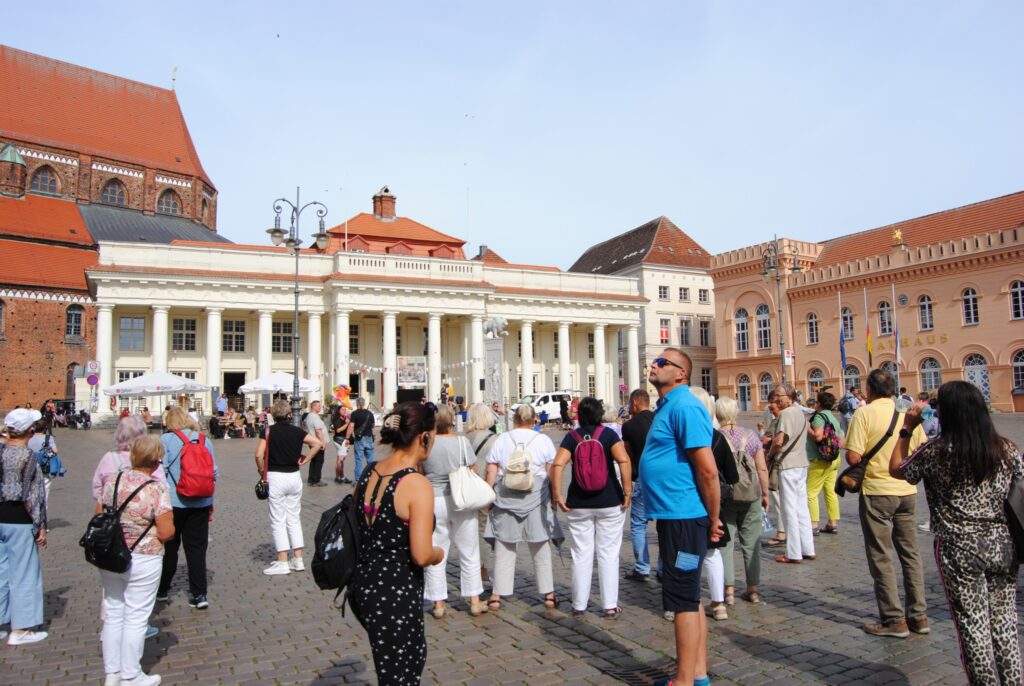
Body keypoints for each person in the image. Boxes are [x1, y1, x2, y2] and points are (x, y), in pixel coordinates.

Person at [890, 381, 1021, 683]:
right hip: (1003, 544)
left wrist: (907, 429)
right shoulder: (1007, 449)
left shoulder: (936, 451)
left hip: (959, 548)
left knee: (973, 626)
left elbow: (897, 469)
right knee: (1004, 623)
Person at [641, 349, 721, 686]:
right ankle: (698, 674)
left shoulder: (686, 405)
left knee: (682, 599)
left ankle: (684, 680)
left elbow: (707, 470)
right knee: (689, 596)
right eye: (655, 361)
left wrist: (715, 518)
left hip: (685, 517)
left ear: (681, 374)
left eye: (662, 362)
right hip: (675, 515)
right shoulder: (668, 406)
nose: (654, 365)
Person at [350, 402, 443, 684]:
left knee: (389, 666)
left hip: (363, 585)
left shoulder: (369, 470)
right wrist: (439, 553)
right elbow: (421, 554)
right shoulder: (415, 484)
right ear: (423, 437)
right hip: (395, 590)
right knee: (404, 671)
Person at [844, 368, 927, 638]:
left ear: (869, 390)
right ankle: (919, 616)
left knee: (881, 555)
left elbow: (854, 458)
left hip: (877, 491)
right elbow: (920, 450)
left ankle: (893, 619)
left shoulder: (863, 413)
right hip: (907, 491)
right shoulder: (907, 414)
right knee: (910, 554)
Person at [98, 435, 174, 686]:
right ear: (155, 462)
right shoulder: (156, 488)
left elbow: (99, 515)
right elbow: (165, 531)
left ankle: (112, 673)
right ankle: (131, 674)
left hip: (111, 553)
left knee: (113, 612)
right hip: (144, 555)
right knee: (136, 616)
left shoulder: (113, 481)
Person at [551, 398, 632, 618]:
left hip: (579, 502)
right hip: (610, 500)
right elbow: (624, 461)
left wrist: (557, 495)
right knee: (608, 553)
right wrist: (627, 491)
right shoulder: (608, 435)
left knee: (580, 554)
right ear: (599, 414)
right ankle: (609, 605)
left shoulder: (572, 436)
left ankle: (578, 604)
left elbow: (558, 464)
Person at [484, 404, 562, 611]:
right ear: (534, 420)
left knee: (505, 545)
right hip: (536, 496)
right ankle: (548, 594)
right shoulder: (543, 440)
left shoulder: (502, 439)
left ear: (515, 420)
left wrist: (488, 495)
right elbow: (551, 469)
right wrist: (555, 495)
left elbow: (492, 468)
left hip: (506, 496)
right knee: (540, 545)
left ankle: (496, 595)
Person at [421, 405, 487, 618]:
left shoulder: (427, 443)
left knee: (437, 550)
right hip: (461, 499)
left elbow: (420, 471)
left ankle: (438, 603)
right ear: (452, 421)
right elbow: (473, 469)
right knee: (469, 550)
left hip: (435, 499)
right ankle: (474, 600)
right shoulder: (461, 441)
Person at [156, 407, 218, 609]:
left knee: (170, 548)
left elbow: (160, 473)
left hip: (174, 502)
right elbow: (214, 472)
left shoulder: (166, 440)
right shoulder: (203, 439)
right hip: (201, 501)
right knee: (197, 549)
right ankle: (200, 595)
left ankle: (163, 589)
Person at [256, 399, 323, 575]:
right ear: (288, 414)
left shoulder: (268, 431)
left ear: (273, 414)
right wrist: (306, 459)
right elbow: (317, 443)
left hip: (275, 476)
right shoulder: (297, 431)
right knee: (293, 517)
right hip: (294, 477)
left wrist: (261, 470)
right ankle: (298, 559)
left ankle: (283, 561)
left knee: (278, 519)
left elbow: (258, 454)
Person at [0, 408, 48, 646]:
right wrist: (40, 526)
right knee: (24, 573)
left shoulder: (0, 451)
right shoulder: (27, 457)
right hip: (19, 518)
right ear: (30, 431)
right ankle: (20, 629)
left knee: (0, 572)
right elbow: (34, 495)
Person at [716, 395, 769, 606]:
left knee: (725, 545)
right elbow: (761, 467)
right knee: (751, 544)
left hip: (726, 496)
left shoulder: (715, 438)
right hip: (750, 495)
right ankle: (752, 590)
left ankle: (728, 591)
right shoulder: (751, 436)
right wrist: (765, 493)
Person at [691, 387, 738, 621]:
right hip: (713, 501)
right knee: (713, 552)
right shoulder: (717, 437)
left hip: (687, 501)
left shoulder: (683, 437)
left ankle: (686, 599)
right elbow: (733, 476)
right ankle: (718, 603)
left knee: (686, 552)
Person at [766, 383, 815, 564]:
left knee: (789, 510)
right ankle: (808, 548)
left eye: (780, 396)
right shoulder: (801, 413)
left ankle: (794, 552)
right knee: (802, 507)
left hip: (788, 465)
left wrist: (770, 455)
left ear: (789, 397)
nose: (777, 399)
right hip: (801, 464)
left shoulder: (786, 414)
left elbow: (779, 440)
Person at [622, 389, 655, 581]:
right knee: (664, 524)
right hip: (663, 479)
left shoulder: (629, 426)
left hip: (642, 478)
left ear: (634, 403)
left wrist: (627, 485)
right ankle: (663, 567)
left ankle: (642, 567)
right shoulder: (660, 420)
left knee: (638, 525)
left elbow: (627, 456)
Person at [93, 416, 166, 502]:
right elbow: (163, 488)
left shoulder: (109, 457)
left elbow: (97, 488)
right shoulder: (150, 457)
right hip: (143, 510)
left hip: (113, 510)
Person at [807, 391, 843, 535]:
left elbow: (818, 436)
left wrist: (807, 427)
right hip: (835, 459)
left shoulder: (819, 417)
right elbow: (842, 439)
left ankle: (813, 525)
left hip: (820, 460)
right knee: (830, 491)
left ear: (819, 403)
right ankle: (832, 523)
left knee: (811, 493)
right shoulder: (833, 418)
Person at [348, 397, 376, 480]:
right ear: (364, 404)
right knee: (370, 459)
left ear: (356, 404)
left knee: (358, 459)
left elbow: (351, 426)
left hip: (359, 439)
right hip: (369, 437)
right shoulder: (370, 413)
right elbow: (373, 426)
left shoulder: (354, 414)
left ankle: (358, 479)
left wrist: (347, 437)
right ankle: (371, 477)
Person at [303, 400, 328, 487]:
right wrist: (323, 443)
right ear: (313, 407)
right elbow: (318, 431)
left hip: (312, 441)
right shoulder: (315, 417)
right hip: (318, 442)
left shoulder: (309, 416)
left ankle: (311, 479)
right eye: (318, 406)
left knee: (313, 460)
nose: (320, 407)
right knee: (319, 461)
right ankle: (316, 479)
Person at [330, 405, 352, 484]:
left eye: (345, 410)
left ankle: (338, 476)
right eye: (342, 410)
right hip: (341, 440)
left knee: (340, 459)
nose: (344, 411)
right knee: (341, 460)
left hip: (341, 440)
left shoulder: (343, 418)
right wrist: (347, 424)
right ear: (338, 410)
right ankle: (341, 477)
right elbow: (338, 430)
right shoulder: (337, 419)